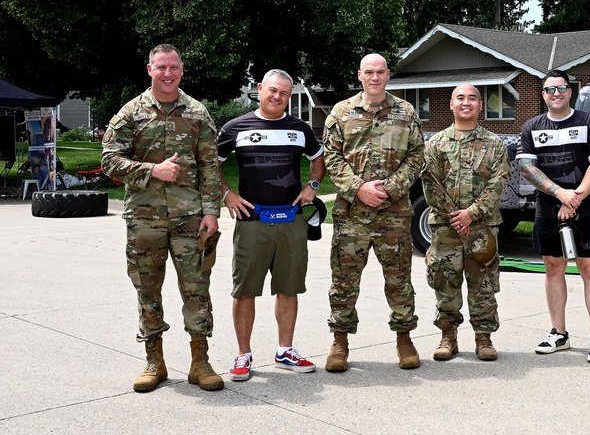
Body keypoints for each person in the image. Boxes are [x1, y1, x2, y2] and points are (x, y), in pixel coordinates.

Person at [101, 44, 224, 393]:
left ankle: (200, 362)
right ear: (149, 69)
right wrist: (152, 170)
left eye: (173, 67)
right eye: (161, 67)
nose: (167, 74)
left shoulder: (198, 113)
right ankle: (154, 361)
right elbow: (109, 161)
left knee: (197, 290)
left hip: (190, 218)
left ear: (181, 70)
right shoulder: (131, 113)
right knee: (148, 290)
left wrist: (212, 212)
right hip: (145, 219)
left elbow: (210, 166)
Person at [217, 69, 326, 381]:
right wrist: (227, 195)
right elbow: (211, 164)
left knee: (288, 289)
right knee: (245, 290)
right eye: (272, 90)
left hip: (291, 222)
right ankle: (243, 355)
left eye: (284, 93)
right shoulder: (235, 127)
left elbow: (318, 158)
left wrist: (313, 186)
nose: (277, 97)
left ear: (289, 97)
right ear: (260, 89)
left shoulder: (300, 128)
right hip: (251, 221)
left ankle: (285, 351)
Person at [322, 53, 425, 371]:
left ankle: (404, 339)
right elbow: (332, 157)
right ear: (360, 75)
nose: (375, 77)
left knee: (399, 279)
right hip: (352, 214)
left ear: (388, 75)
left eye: (380, 71)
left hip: (393, 214)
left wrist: (393, 187)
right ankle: (340, 341)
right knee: (344, 280)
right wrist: (359, 189)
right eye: (369, 72)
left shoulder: (406, 112)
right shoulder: (340, 112)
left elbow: (417, 154)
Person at [517, 69, 590, 363]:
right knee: (553, 270)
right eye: (549, 90)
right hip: (549, 210)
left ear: (570, 91)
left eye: (561, 88)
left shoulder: (589, 122)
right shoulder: (531, 127)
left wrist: (575, 197)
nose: (555, 94)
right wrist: (561, 194)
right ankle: (559, 333)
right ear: (543, 95)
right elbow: (528, 168)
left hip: (587, 208)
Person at [422, 84, 511, 361]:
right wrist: (456, 215)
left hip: (482, 228)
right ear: (451, 104)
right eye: (460, 98)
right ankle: (448, 336)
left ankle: (483, 338)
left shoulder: (494, 144)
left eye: (472, 98)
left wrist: (471, 213)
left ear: (480, 105)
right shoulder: (436, 143)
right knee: (445, 283)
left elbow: (499, 182)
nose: (466, 102)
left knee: (483, 283)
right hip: (446, 229)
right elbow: (430, 183)